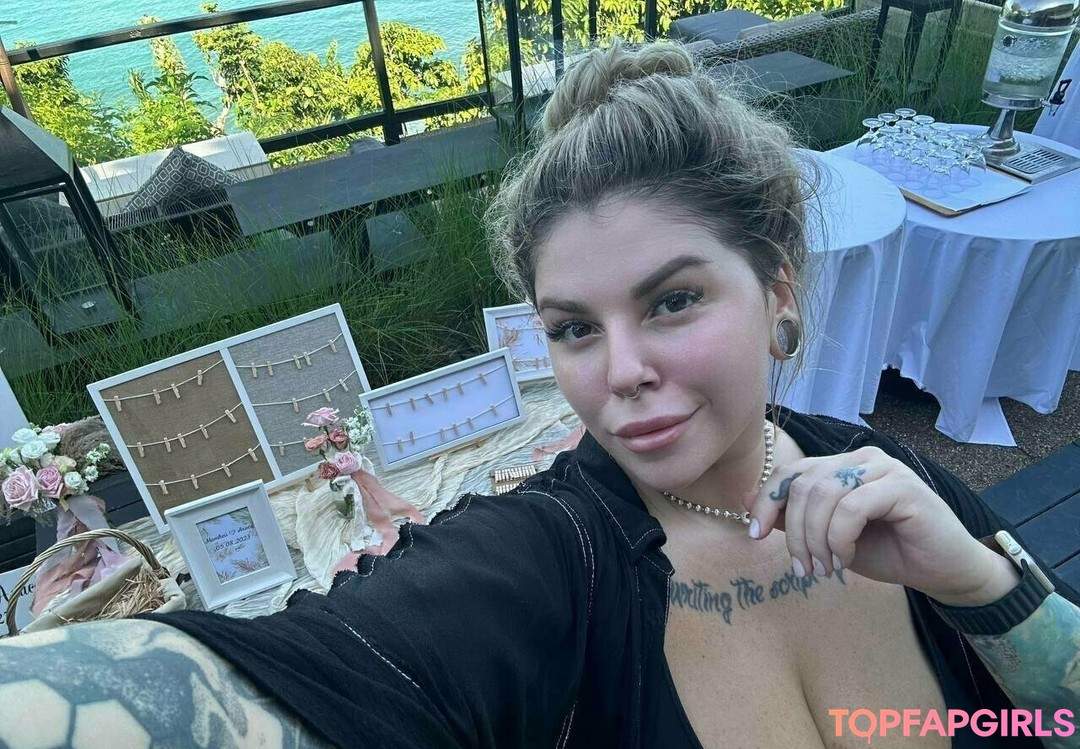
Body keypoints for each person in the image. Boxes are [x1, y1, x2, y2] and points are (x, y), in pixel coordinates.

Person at [1, 41, 1079, 749]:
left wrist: (981, 582)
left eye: (673, 300)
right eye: (573, 327)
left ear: (779, 291)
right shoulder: (542, 564)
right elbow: (220, 689)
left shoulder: (895, 490)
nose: (620, 370)